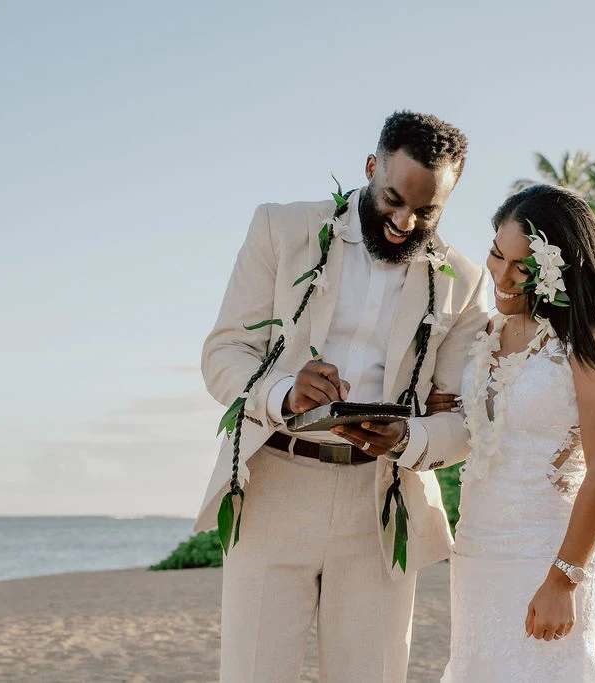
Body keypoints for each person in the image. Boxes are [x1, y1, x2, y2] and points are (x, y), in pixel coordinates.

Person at [192, 111, 489, 682]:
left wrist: (409, 436)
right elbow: (223, 353)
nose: (405, 221)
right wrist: (283, 391)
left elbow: (466, 421)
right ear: (371, 167)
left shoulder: (464, 281)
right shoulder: (282, 229)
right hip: (273, 485)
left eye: (427, 210)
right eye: (394, 198)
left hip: (380, 501)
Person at [426, 184, 595, 682]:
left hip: (547, 552)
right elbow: (500, 420)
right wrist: (460, 403)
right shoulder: (485, 333)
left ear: (560, 269)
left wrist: (563, 579)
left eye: (522, 268)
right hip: (477, 550)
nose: (502, 276)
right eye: (497, 256)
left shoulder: (592, 348)